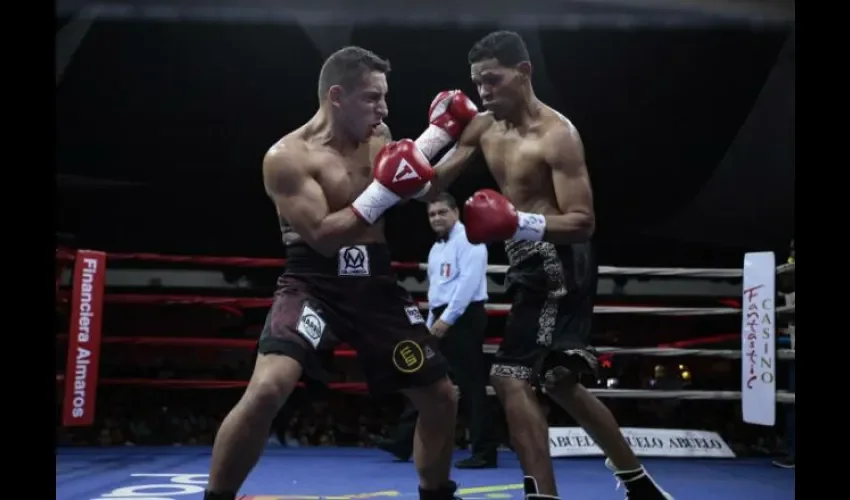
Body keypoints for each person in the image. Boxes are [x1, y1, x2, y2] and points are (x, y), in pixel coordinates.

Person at [202, 46, 478, 500]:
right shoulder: (287, 158)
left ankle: (436, 494)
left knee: (441, 397)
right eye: (372, 98)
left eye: (384, 97)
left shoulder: (379, 135)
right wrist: (384, 190)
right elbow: (325, 237)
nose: (384, 109)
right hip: (315, 282)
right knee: (269, 386)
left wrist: (456, 137)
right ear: (336, 96)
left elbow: (422, 186)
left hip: (375, 283)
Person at [419, 31, 674, 499]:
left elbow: (583, 221)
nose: (484, 92)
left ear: (524, 72)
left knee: (508, 375)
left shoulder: (557, 136)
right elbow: (429, 186)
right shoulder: (483, 126)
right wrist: (433, 137)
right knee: (558, 381)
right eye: (477, 84)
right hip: (525, 261)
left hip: (559, 262)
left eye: (493, 80)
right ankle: (639, 485)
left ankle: (543, 494)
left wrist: (517, 221)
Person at [376, 192, 500, 468]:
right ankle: (402, 441)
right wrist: (431, 324)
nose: (437, 218)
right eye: (432, 214)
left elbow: (467, 285)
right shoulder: (436, 249)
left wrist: (448, 319)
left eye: (442, 212)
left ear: (456, 212)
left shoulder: (471, 240)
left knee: (471, 384)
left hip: (464, 316)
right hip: (442, 316)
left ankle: (485, 451)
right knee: (422, 377)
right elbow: (437, 291)